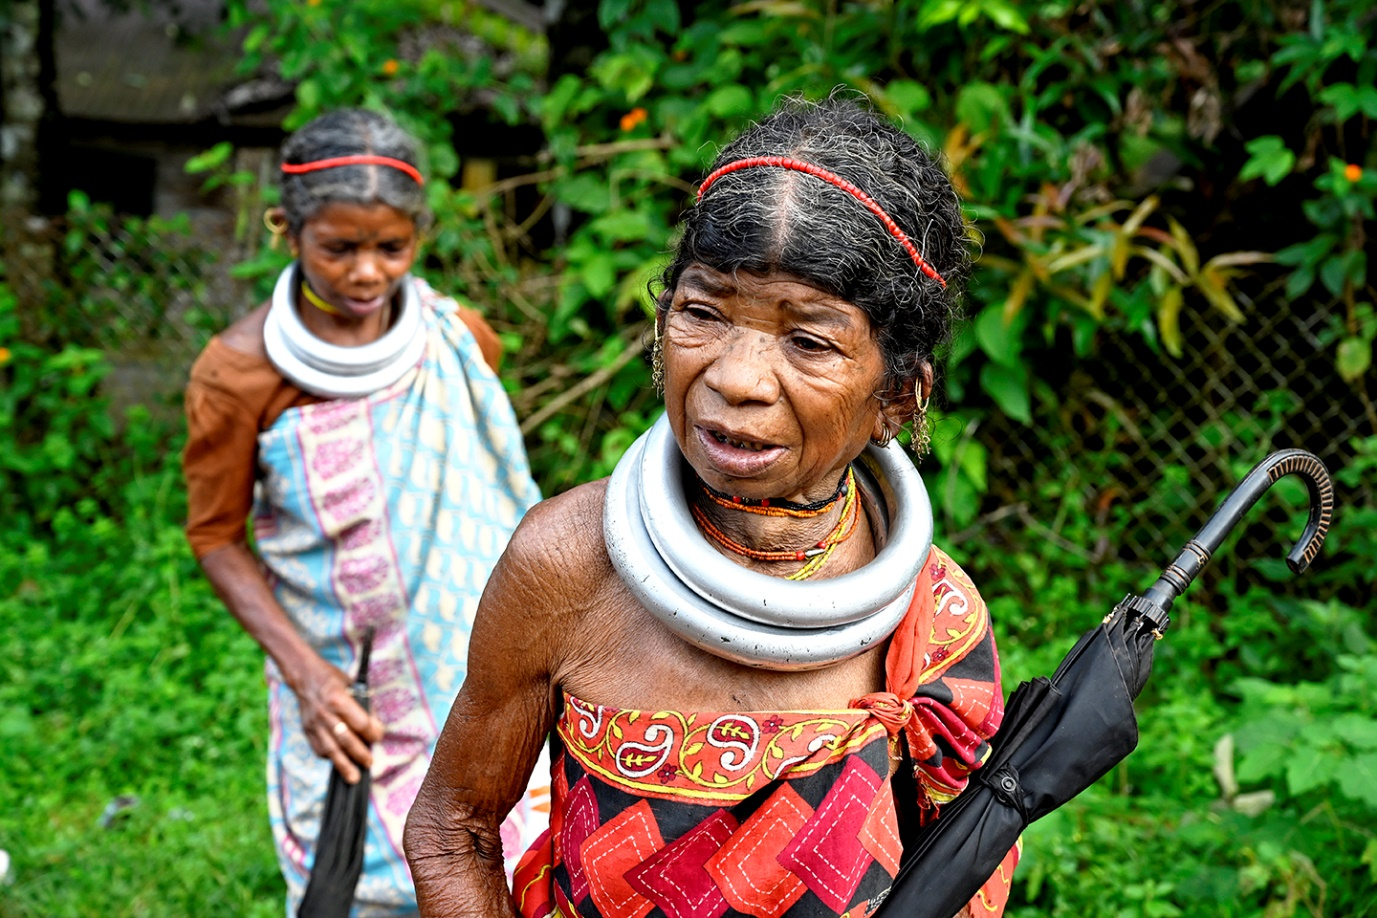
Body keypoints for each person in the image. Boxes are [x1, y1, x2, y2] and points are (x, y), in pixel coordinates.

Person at [403, 96, 1019, 918]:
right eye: (703, 312)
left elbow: (966, 877)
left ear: (898, 397)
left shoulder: (932, 621)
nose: (735, 377)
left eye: (808, 340)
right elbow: (452, 829)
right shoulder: (565, 564)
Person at [182, 108, 547, 916]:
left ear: (418, 237)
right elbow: (214, 535)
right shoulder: (238, 374)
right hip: (344, 684)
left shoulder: (457, 342)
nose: (365, 273)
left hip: (475, 672)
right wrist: (306, 677)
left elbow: (485, 484)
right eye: (337, 249)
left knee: (500, 864)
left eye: (391, 249)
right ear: (287, 230)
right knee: (353, 888)